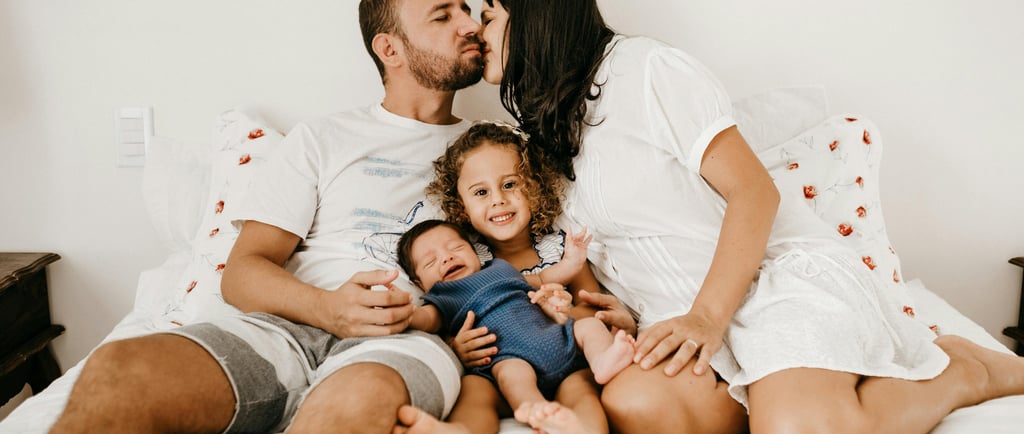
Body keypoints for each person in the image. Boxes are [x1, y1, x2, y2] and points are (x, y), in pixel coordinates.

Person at [474, 1, 1024, 433]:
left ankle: (961, 370)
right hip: (677, 314)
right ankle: (784, 396)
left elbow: (755, 193)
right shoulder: (547, 135)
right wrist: (622, 305)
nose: (479, 31)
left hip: (770, 284)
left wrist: (707, 318)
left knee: (798, 428)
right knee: (637, 403)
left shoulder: (644, 69)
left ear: (534, 14)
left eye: (489, 15)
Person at [50, 1, 487, 432]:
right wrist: (328, 309)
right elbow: (242, 273)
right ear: (389, 49)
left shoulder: (494, 149)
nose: (470, 25)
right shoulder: (323, 137)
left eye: (467, 10)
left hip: (404, 337)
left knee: (353, 405)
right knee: (118, 371)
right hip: (284, 328)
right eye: (443, 15)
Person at [394, 121, 638, 434]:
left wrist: (564, 312)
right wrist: (457, 346)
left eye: (510, 184)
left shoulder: (561, 249)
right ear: (461, 207)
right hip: (503, 365)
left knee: (582, 390)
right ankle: (462, 430)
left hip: (563, 354)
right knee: (474, 392)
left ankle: (584, 429)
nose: (498, 199)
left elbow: (592, 311)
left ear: (534, 186)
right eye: (481, 192)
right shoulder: (470, 263)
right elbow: (443, 317)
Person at [396, 219, 635, 433]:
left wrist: (572, 260)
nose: (447, 257)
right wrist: (403, 311)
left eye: (456, 248)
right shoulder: (442, 297)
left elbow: (543, 278)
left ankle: (602, 363)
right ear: (420, 283)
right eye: (430, 261)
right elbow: (425, 319)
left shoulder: (501, 269)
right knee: (485, 386)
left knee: (588, 335)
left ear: (475, 253)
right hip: (506, 358)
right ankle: (529, 411)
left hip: (558, 339)